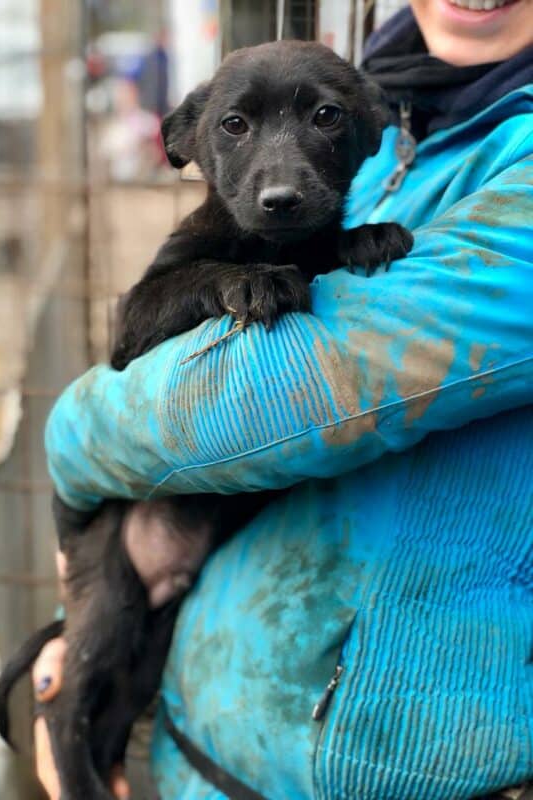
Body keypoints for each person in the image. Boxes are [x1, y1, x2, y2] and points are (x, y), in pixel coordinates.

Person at [33, 1, 533, 798]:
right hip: (200, 728)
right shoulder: (407, 110)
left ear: (358, 128)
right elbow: (135, 331)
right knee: (98, 674)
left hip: (388, 758)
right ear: (186, 144)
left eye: (323, 120)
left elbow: (293, 387)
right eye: (236, 127)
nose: (279, 168)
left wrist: (74, 440)